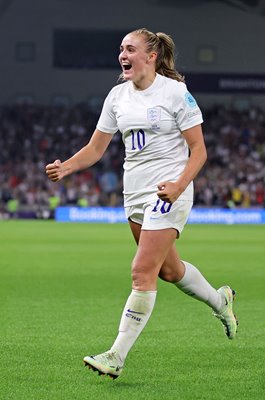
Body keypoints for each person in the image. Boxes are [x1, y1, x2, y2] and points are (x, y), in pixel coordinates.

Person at [46, 28, 238, 380]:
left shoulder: (176, 93)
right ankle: (220, 302)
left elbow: (199, 150)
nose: (123, 54)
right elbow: (95, 148)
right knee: (168, 272)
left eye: (130, 48)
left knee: (141, 272)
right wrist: (66, 167)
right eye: (121, 49)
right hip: (133, 194)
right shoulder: (118, 96)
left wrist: (179, 186)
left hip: (169, 190)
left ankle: (116, 356)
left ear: (151, 56)